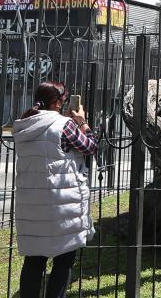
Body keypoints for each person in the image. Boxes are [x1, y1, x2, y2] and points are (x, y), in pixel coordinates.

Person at [13, 81, 98, 298]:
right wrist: (83, 123)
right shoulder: (64, 125)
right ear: (58, 102)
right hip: (62, 202)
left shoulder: (24, 124)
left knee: (34, 259)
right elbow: (90, 147)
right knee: (64, 259)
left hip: (32, 202)